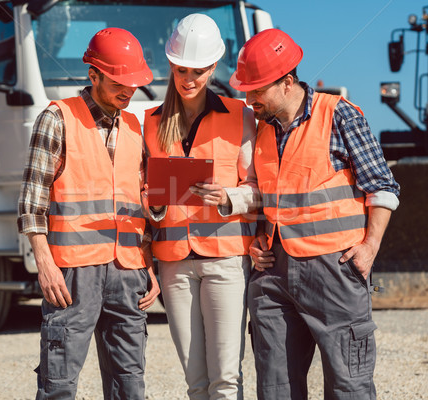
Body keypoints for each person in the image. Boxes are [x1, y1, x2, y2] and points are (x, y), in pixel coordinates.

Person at [229, 29, 400, 400]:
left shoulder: (339, 115)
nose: (248, 98)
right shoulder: (260, 130)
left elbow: (382, 186)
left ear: (287, 82)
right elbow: (268, 195)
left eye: (257, 89)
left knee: (348, 385)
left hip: (335, 269)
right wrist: (259, 234)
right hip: (273, 273)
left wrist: (370, 246)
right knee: (275, 387)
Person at [17, 28, 160, 400]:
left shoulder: (133, 126)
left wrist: (148, 264)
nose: (128, 91)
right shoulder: (57, 117)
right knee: (59, 383)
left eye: (133, 82)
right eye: (118, 82)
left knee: (130, 382)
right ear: (93, 75)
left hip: (128, 272)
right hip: (73, 273)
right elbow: (33, 203)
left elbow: (135, 204)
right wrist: (45, 265)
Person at [143, 13, 259, 400]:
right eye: (180, 70)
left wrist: (230, 197)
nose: (188, 79)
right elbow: (142, 194)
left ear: (212, 67)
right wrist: (154, 204)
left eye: (197, 70)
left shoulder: (241, 116)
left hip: (226, 261)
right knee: (196, 382)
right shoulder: (149, 123)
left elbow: (260, 188)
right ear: (170, 66)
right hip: (173, 262)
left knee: (225, 379)